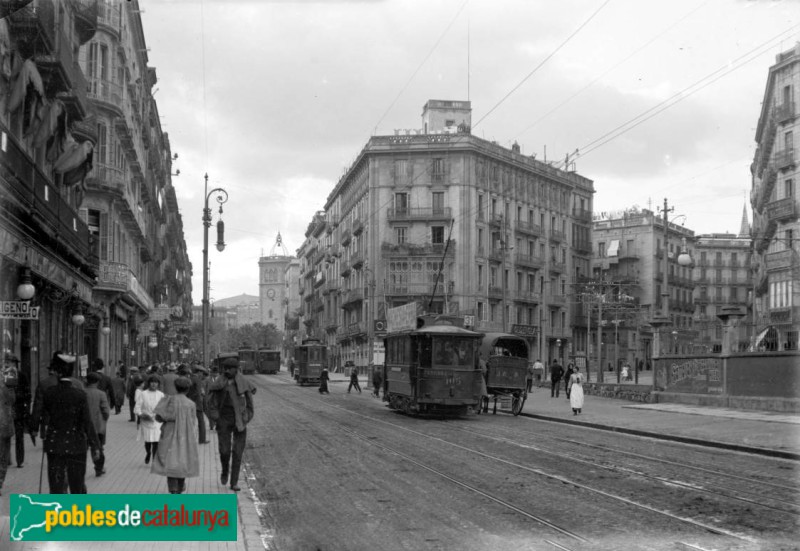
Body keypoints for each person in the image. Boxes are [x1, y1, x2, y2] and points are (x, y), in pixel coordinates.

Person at [40, 354, 101, 494]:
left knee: (56, 487)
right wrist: (95, 446)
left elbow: (45, 417)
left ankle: (57, 513)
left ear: (57, 372)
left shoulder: (49, 393)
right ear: (72, 372)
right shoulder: (79, 395)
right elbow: (87, 422)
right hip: (76, 444)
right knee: (77, 485)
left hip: (55, 444)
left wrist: (42, 432)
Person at [206, 356, 255, 492]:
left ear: (236, 370)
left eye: (230, 369)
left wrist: (246, 418)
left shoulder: (244, 383)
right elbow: (211, 403)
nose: (227, 371)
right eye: (225, 368)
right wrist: (216, 418)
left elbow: (250, 405)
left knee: (238, 453)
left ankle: (234, 482)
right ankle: (224, 470)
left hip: (240, 421)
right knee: (224, 451)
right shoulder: (218, 384)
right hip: (224, 420)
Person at [152, 377, 199, 494]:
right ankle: (181, 485)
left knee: (170, 461)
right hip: (185, 436)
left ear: (176, 388)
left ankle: (173, 488)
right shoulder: (191, 404)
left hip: (169, 434)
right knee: (182, 460)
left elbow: (158, 417)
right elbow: (194, 423)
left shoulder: (169, 400)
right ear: (188, 389)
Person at [3, 353, 30, 468]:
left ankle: (19, 460)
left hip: (18, 410)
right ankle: (7, 459)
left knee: (19, 437)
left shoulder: (22, 376)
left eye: (8, 362)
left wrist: (26, 409)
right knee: (6, 436)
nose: (6, 365)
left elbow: (27, 394)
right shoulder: (4, 376)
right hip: (7, 411)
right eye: (6, 362)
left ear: (14, 364)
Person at [135, 375, 165, 464]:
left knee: (156, 440)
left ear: (158, 384)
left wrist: (161, 415)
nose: (154, 384)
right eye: (152, 382)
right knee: (148, 440)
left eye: (156, 383)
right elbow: (137, 407)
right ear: (148, 384)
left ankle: (154, 458)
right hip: (146, 421)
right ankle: (148, 452)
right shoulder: (143, 394)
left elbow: (163, 407)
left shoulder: (161, 394)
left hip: (157, 421)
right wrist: (141, 415)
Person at [85, 373, 110, 476]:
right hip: (98, 426)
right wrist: (104, 420)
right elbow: (106, 411)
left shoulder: (82, 392)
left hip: (84, 426)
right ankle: (98, 468)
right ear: (97, 382)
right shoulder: (101, 394)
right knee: (98, 447)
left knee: (83, 447)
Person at [187, 364, 209, 444]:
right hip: (197, 404)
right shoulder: (197, 380)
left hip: (189, 403)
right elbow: (199, 393)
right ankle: (202, 439)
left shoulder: (190, 378)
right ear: (199, 372)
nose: (202, 375)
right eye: (202, 373)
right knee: (201, 422)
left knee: (189, 422)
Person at [0, 380, 13, 495]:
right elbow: (12, 400)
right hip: (4, 426)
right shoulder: (6, 387)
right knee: (3, 457)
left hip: (4, 426)